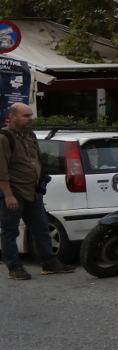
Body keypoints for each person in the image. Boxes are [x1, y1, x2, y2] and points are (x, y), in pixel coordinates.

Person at [1, 103, 74, 279]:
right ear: (12, 117)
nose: (30, 118)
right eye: (25, 116)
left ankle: (50, 263)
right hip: (14, 192)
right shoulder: (4, 138)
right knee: (10, 231)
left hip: (33, 192)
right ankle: (14, 267)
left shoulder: (30, 135)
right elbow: (1, 170)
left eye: (31, 115)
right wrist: (9, 196)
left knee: (41, 228)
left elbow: (36, 161)